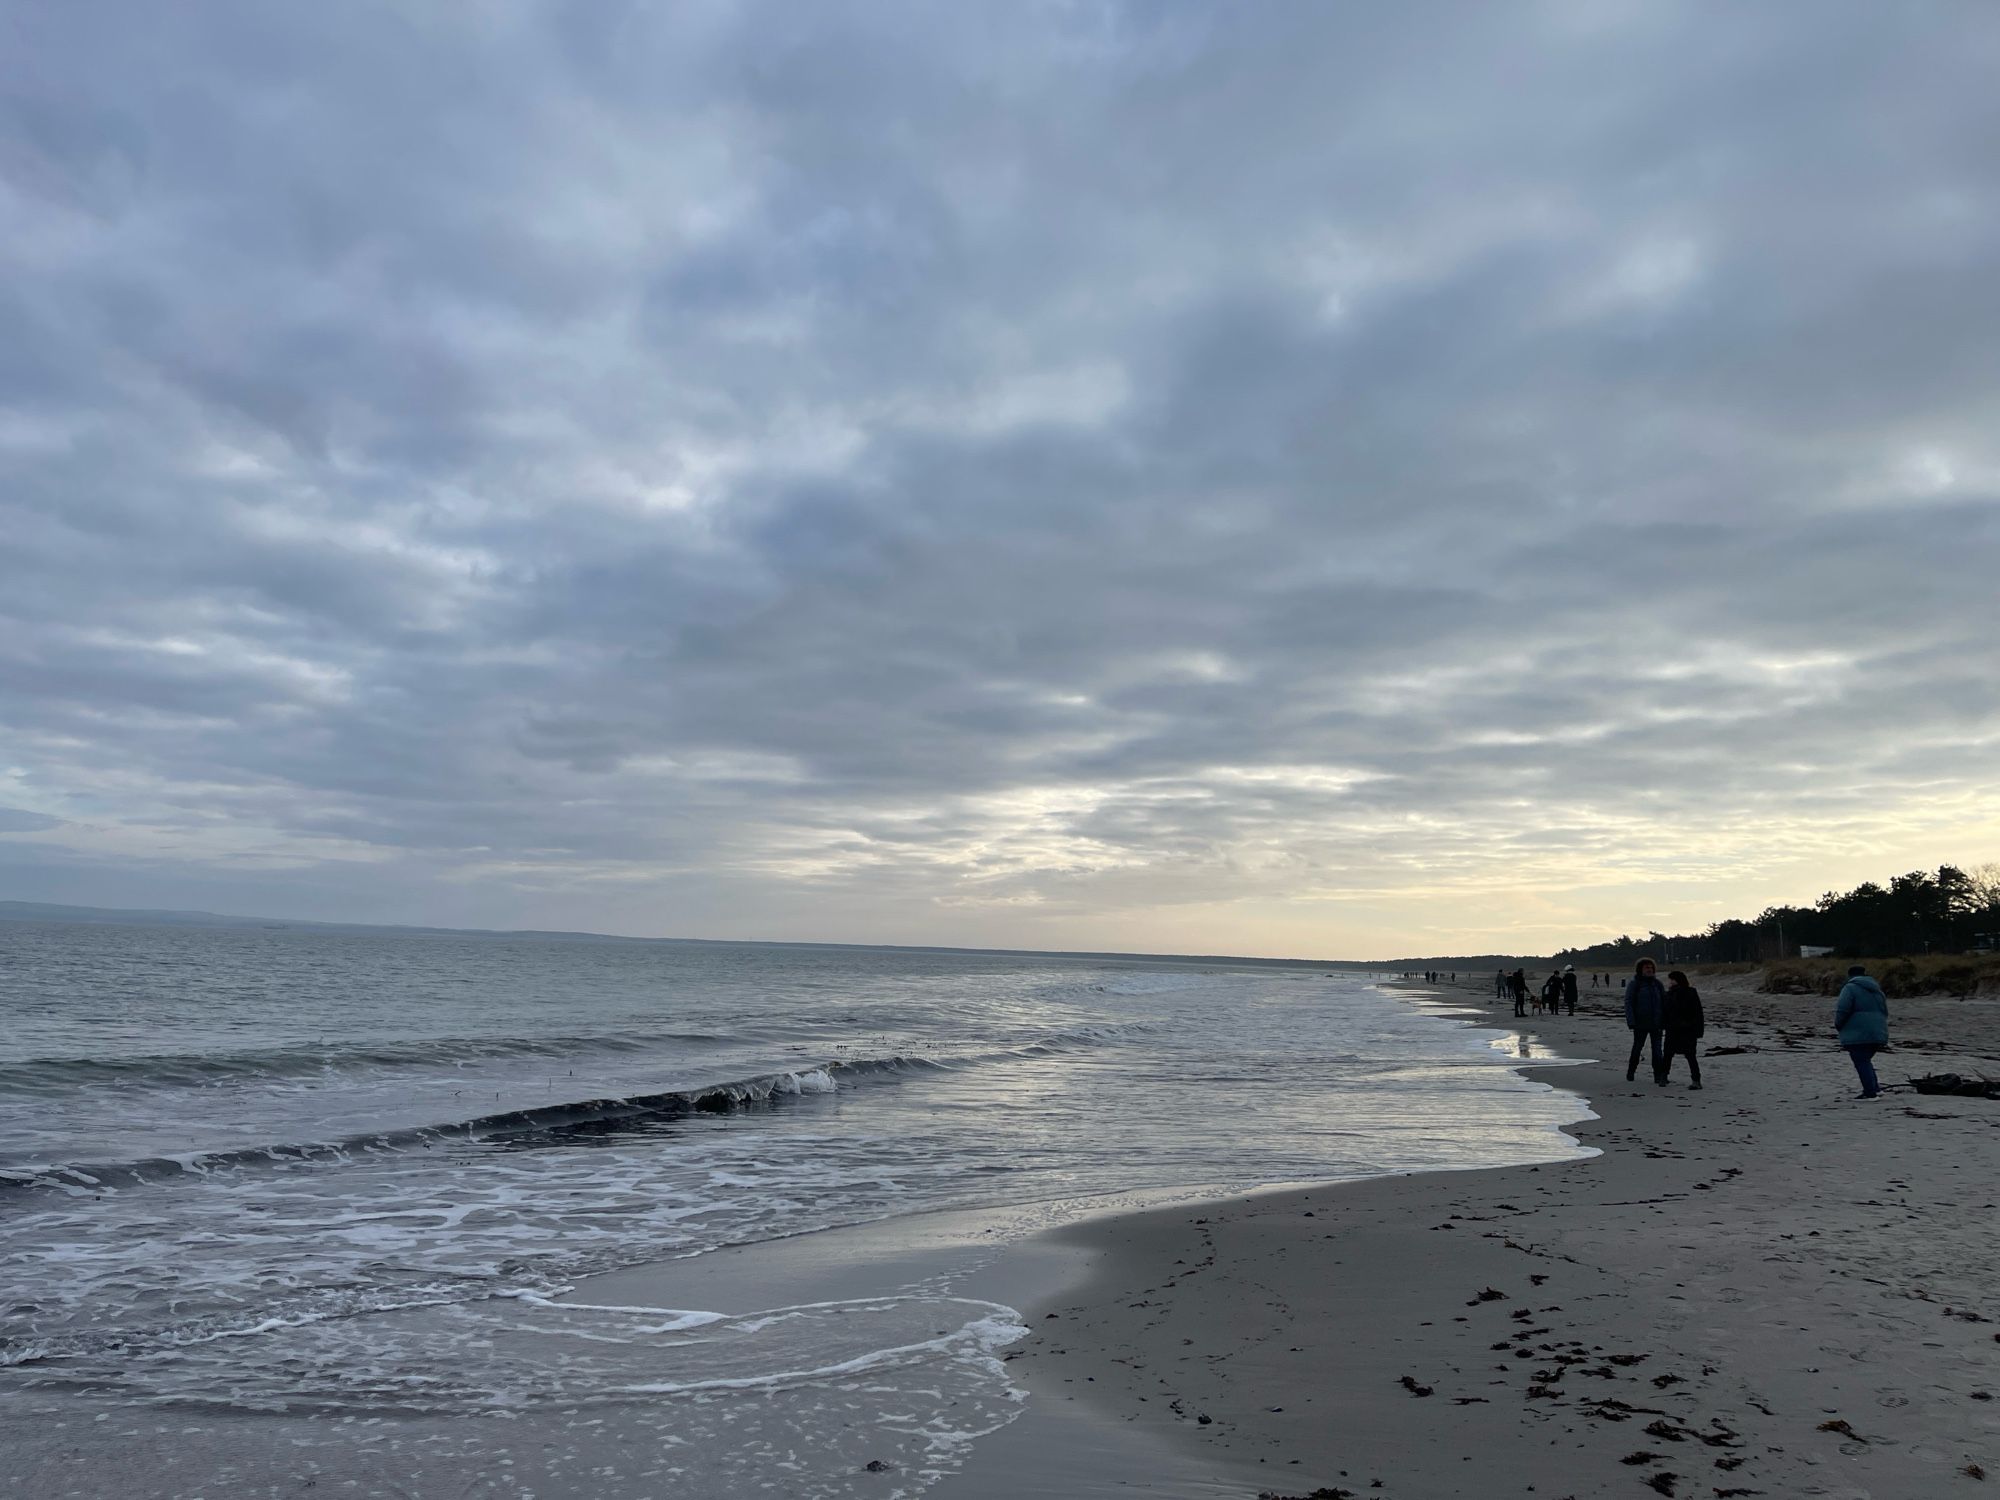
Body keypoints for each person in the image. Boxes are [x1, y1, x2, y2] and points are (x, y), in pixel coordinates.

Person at [1835, 964, 1890, 1100]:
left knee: (1861, 1060)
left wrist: (1838, 1024)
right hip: (1878, 1031)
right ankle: (1876, 1089)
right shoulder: (1877, 990)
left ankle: (1870, 1092)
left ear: (1850, 975)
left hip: (1858, 1032)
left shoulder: (1849, 988)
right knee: (1865, 1060)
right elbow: (1885, 1011)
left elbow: (1843, 1009)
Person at [1623, 957, 1667, 1084]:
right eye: (1647, 967)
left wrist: (1665, 1020)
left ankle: (1658, 1075)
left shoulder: (1657, 984)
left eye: (1651, 968)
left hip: (1657, 1023)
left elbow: (1664, 1002)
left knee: (1657, 1051)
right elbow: (1628, 1003)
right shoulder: (1635, 984)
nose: (1649, 970)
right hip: (1640, 1023)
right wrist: (1631, 1021)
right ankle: (1631, 1071)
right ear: (1640, 969)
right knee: (1637, 1048)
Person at [1662, 969, 1704, 1089]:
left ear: (1676, 980)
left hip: (1686, 1029)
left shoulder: (1689, 992)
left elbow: (1697, 1012)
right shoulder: (1669, 994)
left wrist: (1697, 1030)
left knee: (1687, 1055)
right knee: (1670, 1054)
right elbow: (1665, 1012)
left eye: (1671, 980)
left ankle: (1695, 1080)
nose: (1669, 982)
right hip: (1676, 1029)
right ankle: (1664, 1077)